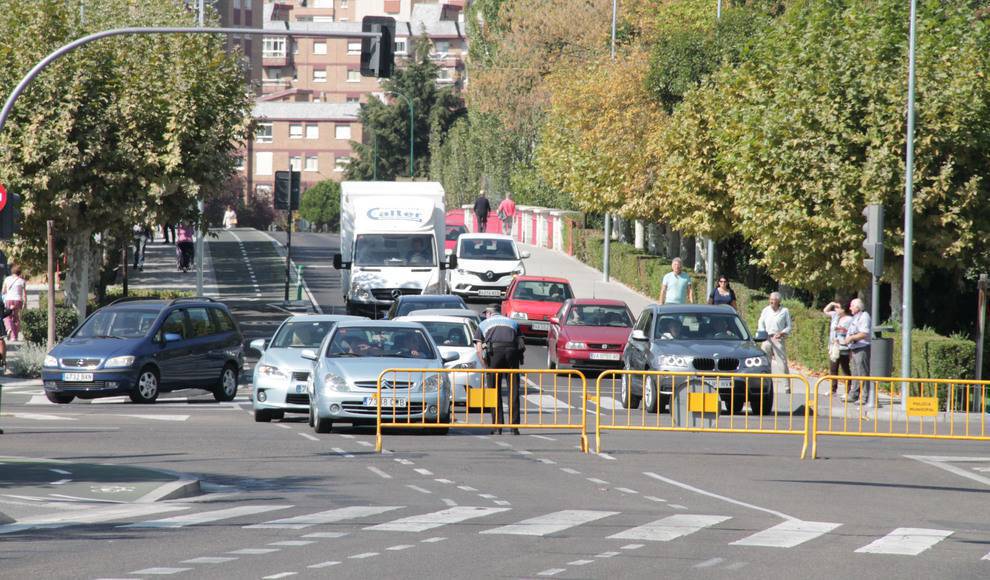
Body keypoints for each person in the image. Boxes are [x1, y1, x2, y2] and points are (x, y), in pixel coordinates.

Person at [480, 306, 525, 435]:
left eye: (486, 313)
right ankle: (514, 427)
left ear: (489, 313)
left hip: (494, 354)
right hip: (512, 354)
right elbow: (521, 343)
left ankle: (497, 426)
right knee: (514, 390)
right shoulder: (513, 322)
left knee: (494, 390)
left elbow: (479, 348)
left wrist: (486, 366)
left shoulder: (483, 324)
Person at [757, 292, 792, 393]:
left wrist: (782, 333)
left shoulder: (784, 311)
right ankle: (766, 384)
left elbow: (789, 326)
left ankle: (787, 386)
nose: (772, 301)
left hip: (778, 338)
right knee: (765, 362)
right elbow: (760, 322)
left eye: (774, 300)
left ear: (778, 301)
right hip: (767, 338)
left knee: (782, 363)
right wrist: (763, 332)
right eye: (771, 299)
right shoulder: (765, 310)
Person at [841, 298, 872, 406]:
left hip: (862, 348)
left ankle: (864, 397)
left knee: (862, 372)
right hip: (854, 348)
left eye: (851, 306)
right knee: (855, 372)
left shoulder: (864, 317)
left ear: (857, 307)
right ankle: (853, 394)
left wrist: (851, 338)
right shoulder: (855, 317)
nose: (850, 308)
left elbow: (864, 333)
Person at [823, 301, 853, 395]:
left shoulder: (849, 319)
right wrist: (832, 304)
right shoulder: (835, 316)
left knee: (845, 369)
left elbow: (850, 332)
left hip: (843, 347)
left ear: (843, 310)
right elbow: (825, 311)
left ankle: (848, 391)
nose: (836, 310)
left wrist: (841, 330)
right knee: (833, 368)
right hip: (834, 346)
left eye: (838, 308)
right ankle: (833, 389)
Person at [2, 264, 26, 341]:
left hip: (9, 300)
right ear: (20, 272)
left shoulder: (7, 279)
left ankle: (9, 328)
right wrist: (25, 303)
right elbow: (24, 294)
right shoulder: (22, 281)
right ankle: (14, 337)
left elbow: (3, 291)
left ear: (12, 271)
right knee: (16, 318)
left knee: (7, 316)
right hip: (18, 300)